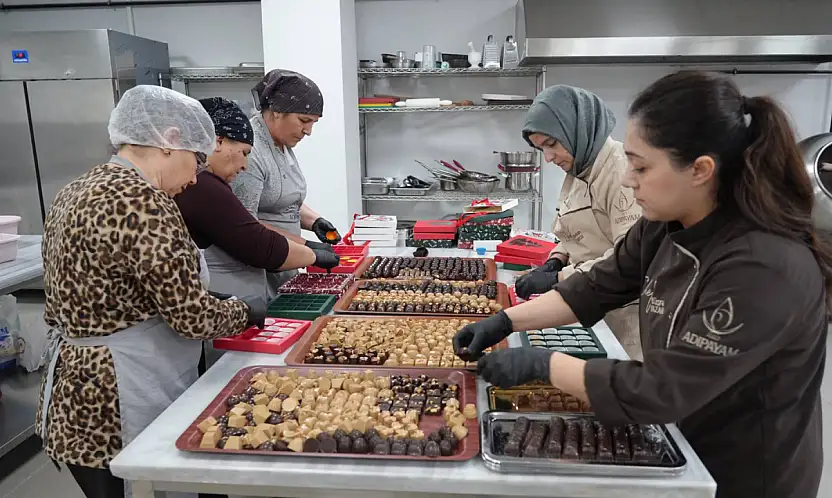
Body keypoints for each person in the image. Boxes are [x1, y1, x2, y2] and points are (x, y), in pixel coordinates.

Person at [454, 71, 827, 498]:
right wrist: (505, 321)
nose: (629, 179)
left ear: (700, 170)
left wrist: (545, 366)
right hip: (685, 434)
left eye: (641, 166)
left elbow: (663, 388)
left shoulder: (764, 267)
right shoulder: (665, 225)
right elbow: (597, 285)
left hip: (745, 467)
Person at [35, 86, 267, 498]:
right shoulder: (144, 202)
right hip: (121, 389)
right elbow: (190, 316)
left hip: (73, 388)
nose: (195, 177)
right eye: (195, 160)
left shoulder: (76, 188)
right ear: (169, 141)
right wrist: (241, 310)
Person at [515, 85, 643, 360]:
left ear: (576, 129)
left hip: (625, 318)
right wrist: (556, 260)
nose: (548, 158)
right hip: (590, 303)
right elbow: (572, 231)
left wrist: (557, 279)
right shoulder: (579, 168)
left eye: (551, 144)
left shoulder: (621, 172)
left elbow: (630, 258)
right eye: (541, 149)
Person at [176, 97, 340, 299]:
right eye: (244, 153)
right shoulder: (204, 186)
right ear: (218, 141)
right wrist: (311, 252)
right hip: (227, 303)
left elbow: (282, 202)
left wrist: (312, 222)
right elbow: (257, 243)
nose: (245, 164)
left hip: (237, 299)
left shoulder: (209, 182)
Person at [230, 69, 341, 297]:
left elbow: (279, 196)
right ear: (277, 111)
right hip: (260, 267)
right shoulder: (250, 151)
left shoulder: (282, 144)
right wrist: (306, 247)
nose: (308, 131)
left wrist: (313, 221)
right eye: (304, 121)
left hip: (286, 260)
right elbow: (245, 224)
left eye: (313, 123)